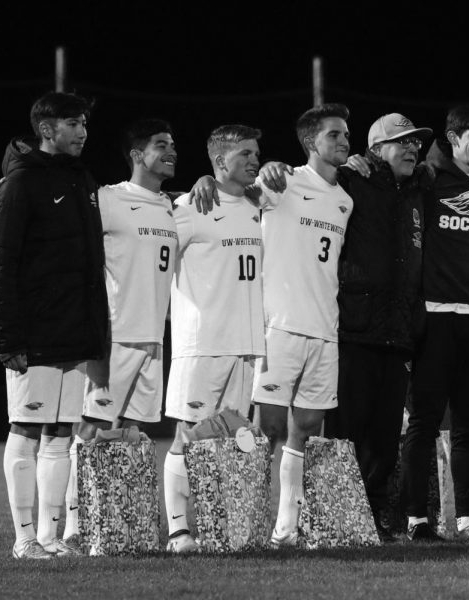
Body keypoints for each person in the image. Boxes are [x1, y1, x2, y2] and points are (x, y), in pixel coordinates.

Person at [0, 92, 109, 559]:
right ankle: (23, 540)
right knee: (26, 430)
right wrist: (7, 336)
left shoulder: (80, 180)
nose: (83, 131)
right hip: (33, 332)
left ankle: (51, 540)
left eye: (84, 123)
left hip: (72, 331)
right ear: (47, 130)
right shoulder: (18, 183)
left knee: (60, 433)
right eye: (73, 123)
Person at [59, 119, 180, 546]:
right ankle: (75, 524)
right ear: (136, 154)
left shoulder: (174, 206)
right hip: (115, 337)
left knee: (133, 433)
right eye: (161, 145)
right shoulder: (109, 199)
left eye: (173, 146)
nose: (171, 152)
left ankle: (121, 523)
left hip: (154, 341)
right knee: (92, 430)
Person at [323, 113, 431, 541]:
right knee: (346, 433)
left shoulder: (420, 187)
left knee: (385, 441)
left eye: (415, 143)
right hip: (354, 330)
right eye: (401, 142)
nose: (412, 149)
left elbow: (450, 160)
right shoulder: (352, 181)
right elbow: (304, 180)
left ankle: (370, 521)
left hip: (399, 333)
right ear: (373, 150)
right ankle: (335, 519)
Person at [400, 106, 469, 542]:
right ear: (453, 137)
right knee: (423, 423)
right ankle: (416, 520)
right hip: (437, 318)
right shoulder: (425, 179)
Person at [251, 104, 354, 547]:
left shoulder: (346, 199)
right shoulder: (282, 181)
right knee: (267, 429)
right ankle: (249, 525)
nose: (344, 141)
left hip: (324, 329)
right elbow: (237, 192)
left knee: (307, 430)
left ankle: (286, 529)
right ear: (312, 142)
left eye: (346, 134)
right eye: (334, 135)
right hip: (280, 327)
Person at [162, 124, 264, 554]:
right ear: (220, 162)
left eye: (256, 153)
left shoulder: (264, 203)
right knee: (188, 435)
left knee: (235, 438)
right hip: (202, 343)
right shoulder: (189, 206)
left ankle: (222, 528)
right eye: (244, 154)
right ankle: (178, 531)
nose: (254, 161)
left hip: (248, 344)